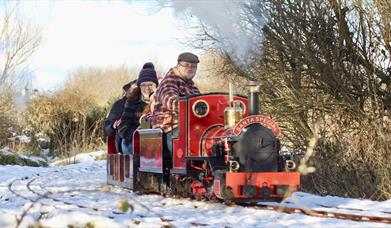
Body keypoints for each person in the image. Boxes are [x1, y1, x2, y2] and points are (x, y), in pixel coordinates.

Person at [152, 52, 201, 154]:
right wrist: (194, 109)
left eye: (193, 66)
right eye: (186, 65)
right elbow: (171, 100)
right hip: (170, 128)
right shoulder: (169, 81)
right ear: (178, 65)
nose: (190, 68)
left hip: (192, 125)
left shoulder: (192, 86)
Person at [118, 62, 159, 154]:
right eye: (143, 85)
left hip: (155, 141)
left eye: (150, 84)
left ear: (156, 86)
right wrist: (138, 135)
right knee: (139, 149)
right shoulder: (132, 101)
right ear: (139, 86)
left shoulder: (161, 101)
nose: (147, 88)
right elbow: (123, 127)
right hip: (131, 140)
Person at [104, 80, 137, 153]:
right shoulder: (119, 104)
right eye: (135, 88)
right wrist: (113, 126)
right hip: (124, 140)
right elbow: (106, 129)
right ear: (127, 91)